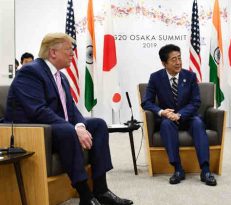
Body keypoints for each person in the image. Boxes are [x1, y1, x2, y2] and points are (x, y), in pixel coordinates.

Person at [4, 33, 132, 205]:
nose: (73, 54)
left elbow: (70, 109)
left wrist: (79, 125)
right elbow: (38, 111)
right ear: (53, 52)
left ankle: (101, 190)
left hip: (53, 127)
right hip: (31, 130)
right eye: (69, 50)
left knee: (98, 124)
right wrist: (73, 129)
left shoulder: (60, 76)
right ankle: (85, 196)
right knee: (67, 130)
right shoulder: (30, 71)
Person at [141, 44, 217, 186]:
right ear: (164, 63)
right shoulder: (156, 77)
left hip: (188, 117)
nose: (178, 62)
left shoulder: (190, 76)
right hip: (168, 118)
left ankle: (205, 170)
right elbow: (146, 102)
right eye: (173, 59)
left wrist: (180, 114)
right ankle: (178, 169)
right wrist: (162, 112)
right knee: (165, 124)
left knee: (198, 123)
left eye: (179, 58)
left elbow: (196, 102)